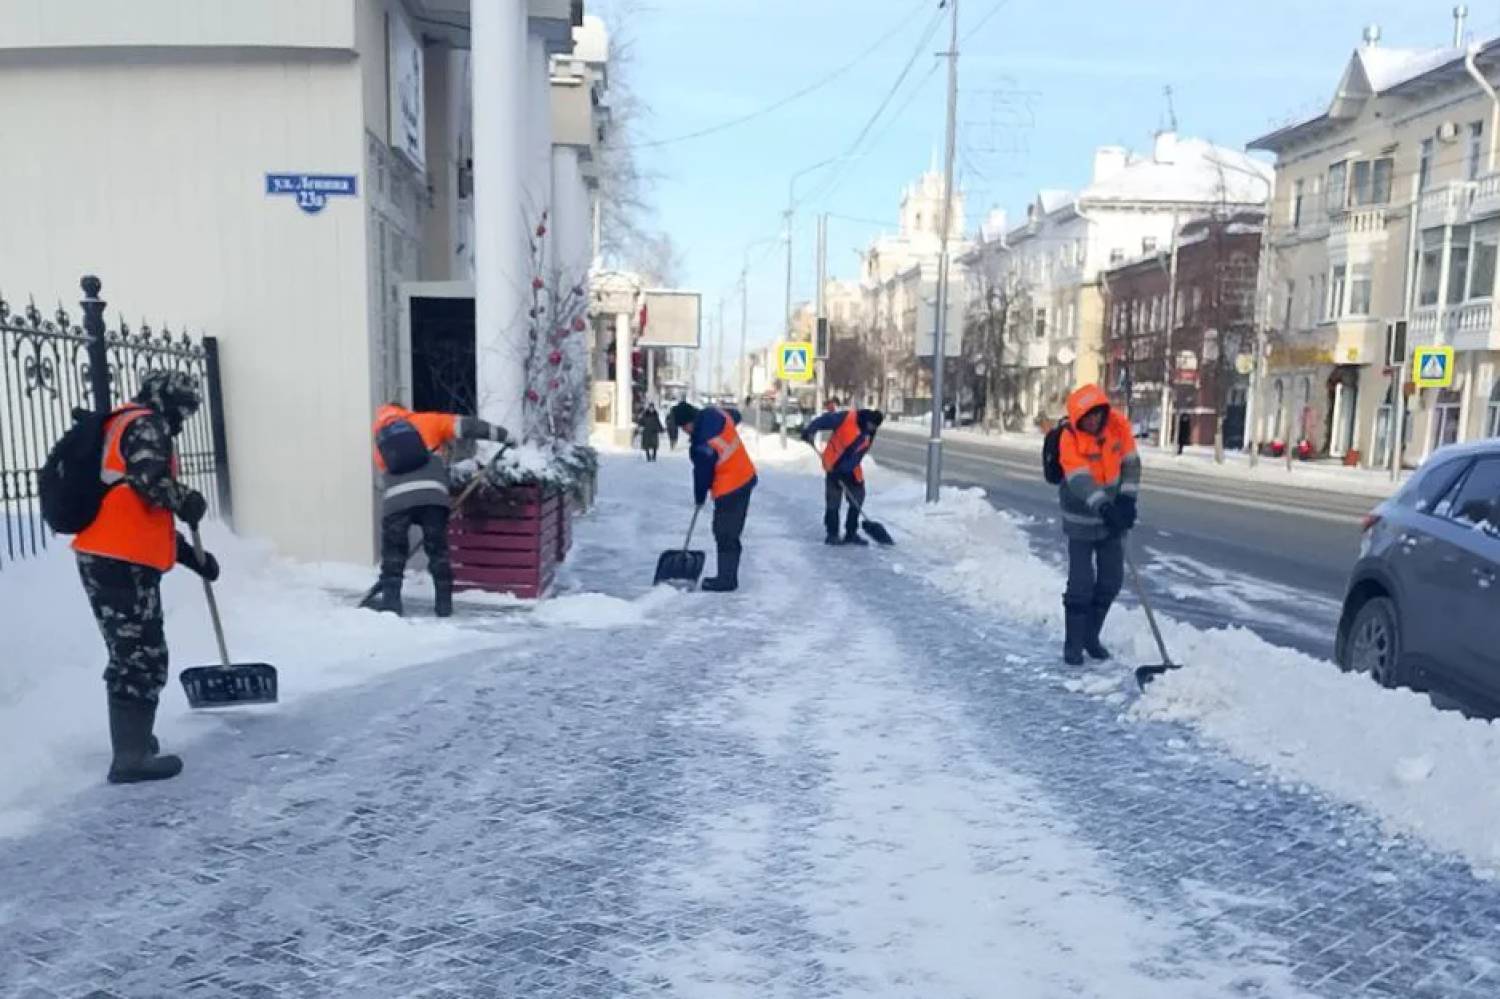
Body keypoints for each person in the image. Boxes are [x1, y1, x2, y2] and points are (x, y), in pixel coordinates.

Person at [73, 371, 218, 784]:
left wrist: (191, 557)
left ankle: (133, 739)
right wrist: (186, 498)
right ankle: (130, 757)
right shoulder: (147, 424)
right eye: (183, 411)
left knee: (133, 652)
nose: (183, 422)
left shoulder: (128, 422)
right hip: (119, 560)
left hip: (114, 554)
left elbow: (134, 506)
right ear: (168, 402)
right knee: (141, 656)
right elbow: (148, 481)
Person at [364, 403, 508, 618]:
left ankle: (391, 605)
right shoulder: (429, 421)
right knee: (437, 550)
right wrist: (504, 435)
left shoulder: (381, 441)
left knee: (394, 553)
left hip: (396, 501)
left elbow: (386, 473)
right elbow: (468, 426)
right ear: (405, 411)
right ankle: (443, 606)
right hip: (433, 496)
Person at [1057, 384, 1140, 666]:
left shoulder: (1118, 427)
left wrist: (1127, 501)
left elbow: (1131, 465)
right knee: (1081, 585)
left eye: (1097, 414)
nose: (1093, 421)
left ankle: (1090, 637)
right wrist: (1103, 506)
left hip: (1111, 520)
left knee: (1111, 581)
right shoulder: (1069, 437)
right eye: (1087, 417)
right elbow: (1079, 479)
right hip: (1081, 520)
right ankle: (1073, 644)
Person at [671, 400, 756, 592]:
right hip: (745, 476)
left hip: (730, 487)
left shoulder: (702, 444)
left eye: (684, 427)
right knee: (730, 531)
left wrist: (699, 496)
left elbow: (702, 474)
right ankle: (728, 576)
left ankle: (726, 580)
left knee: (725, 532)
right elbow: (736, 415)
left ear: (689, 422)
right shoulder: (717, 414)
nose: (685, 432)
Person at [802, 407, 884, 545]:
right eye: (872, 425)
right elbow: (825, 420)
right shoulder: (847, 418)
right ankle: (832, 534)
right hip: (833, 465)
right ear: (867, 420)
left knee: (858, 497)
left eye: (875, 427)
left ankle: (851, 533)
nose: (873, 429)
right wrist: (810, 430)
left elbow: (858, 453)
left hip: (851, 468)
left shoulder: (870, 432)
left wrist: (846, 470)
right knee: (833, 501)